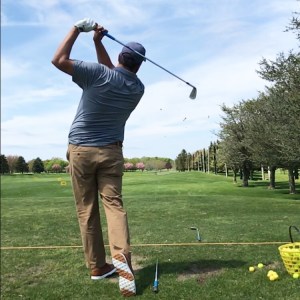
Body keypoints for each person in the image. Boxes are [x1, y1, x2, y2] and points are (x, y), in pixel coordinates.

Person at [52, 18, 146, 297]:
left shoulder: (97, 74)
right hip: (111, 152)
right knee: (114, 207)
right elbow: (114, 74)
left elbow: (58, 59)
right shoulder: (137, 88)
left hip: (80, 150)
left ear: (120, 56)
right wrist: (97, 42)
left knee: (87, 210)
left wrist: (76, 30)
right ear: (138, 65)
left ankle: (96, 267)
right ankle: (123, 264)